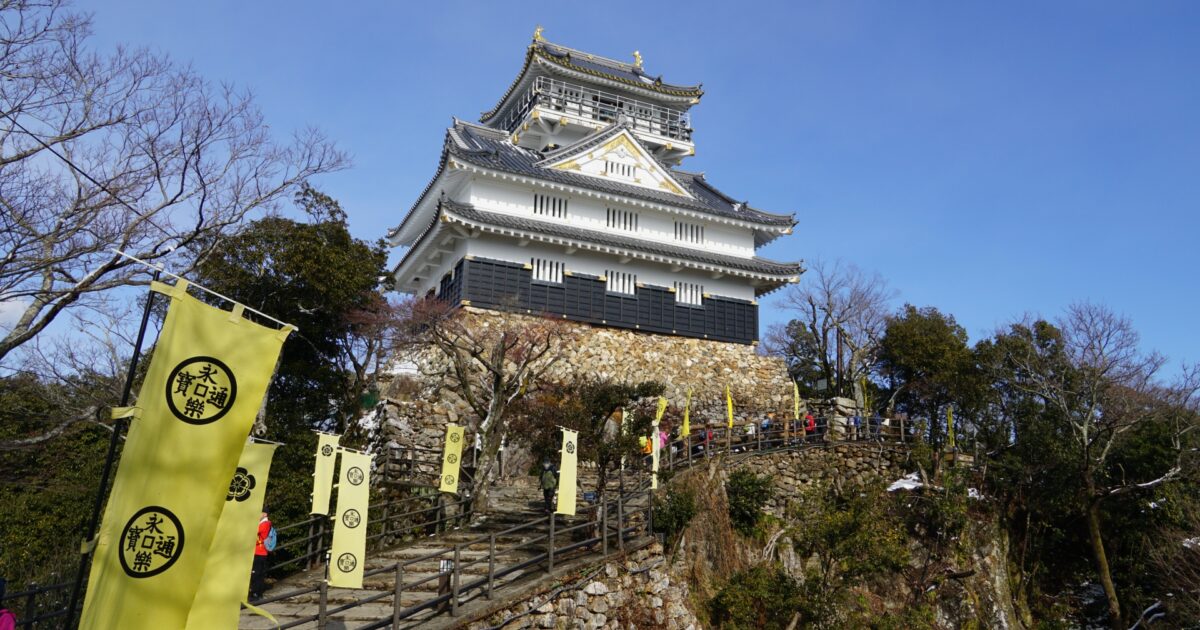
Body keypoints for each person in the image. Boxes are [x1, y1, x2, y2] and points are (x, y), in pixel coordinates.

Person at [250, 508, 272, 600]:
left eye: (260, 513)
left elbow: (253, 531)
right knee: (258, 573)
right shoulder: (264, 523)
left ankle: (256, 593)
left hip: (260, 551)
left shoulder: (265, 524)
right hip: (260, 551)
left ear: (265, 514)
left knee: (256, 573)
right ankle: (257, 592)